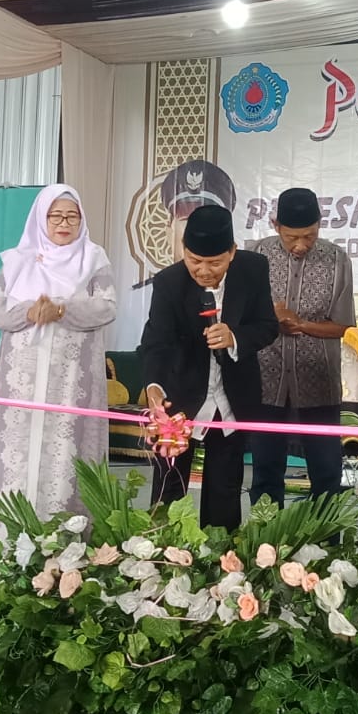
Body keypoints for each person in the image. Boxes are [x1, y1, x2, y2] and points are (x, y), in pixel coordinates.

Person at [0, 184, 117, 544]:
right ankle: (9, 539)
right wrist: (29, 311)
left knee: (65, 454)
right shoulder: (17, 260)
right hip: (21, 379)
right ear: (41, 219)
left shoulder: (93, 258)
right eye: (55, 216)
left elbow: (107, 307)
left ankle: (65, 540)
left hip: (71, 378)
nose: (64, 223)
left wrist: (62, 309)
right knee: (17, 453)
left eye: (72, 216)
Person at [141, 204, 278, 528]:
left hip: (232, 396)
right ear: (183, 250)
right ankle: (162, 551)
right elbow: (156, 343)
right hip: (180, 395)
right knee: (169, 487)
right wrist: (154, 388)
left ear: (232, 252)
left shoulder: (253, 270)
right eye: (194, 261)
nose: (204, 270)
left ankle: (221, 553)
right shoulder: (169, 282)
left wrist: (234, 337)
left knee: (225, 487)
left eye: (215, 263)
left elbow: (267, 326)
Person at [248, 187, 356, 507]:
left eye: (309, 236)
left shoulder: (337, 260)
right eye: (291, 237)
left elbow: (344, 327)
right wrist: (271, 318)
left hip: (318, 378)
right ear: (275, 225)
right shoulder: (254, 256)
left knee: (326, 472)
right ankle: (266, 536)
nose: (300, 245)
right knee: (266, 470)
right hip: (265, 377)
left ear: (319, 225)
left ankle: (327, 538)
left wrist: (302, 325)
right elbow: (238, 317)